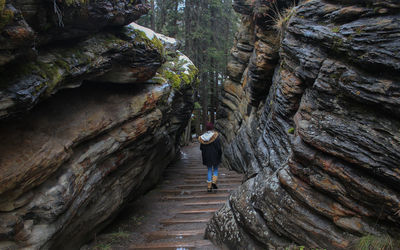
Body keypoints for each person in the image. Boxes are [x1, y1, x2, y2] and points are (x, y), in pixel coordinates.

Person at [199, 122, 222, 192]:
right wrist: (220, 155)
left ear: (206, 128)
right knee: (215, 169)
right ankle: (214, 182)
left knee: (209, 170)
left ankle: (209, 187)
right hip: (215, 156)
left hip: (207, 157)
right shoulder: (215, 136)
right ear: (212, 128)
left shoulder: (202, 137)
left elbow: (201, 148)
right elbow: (219, 148)